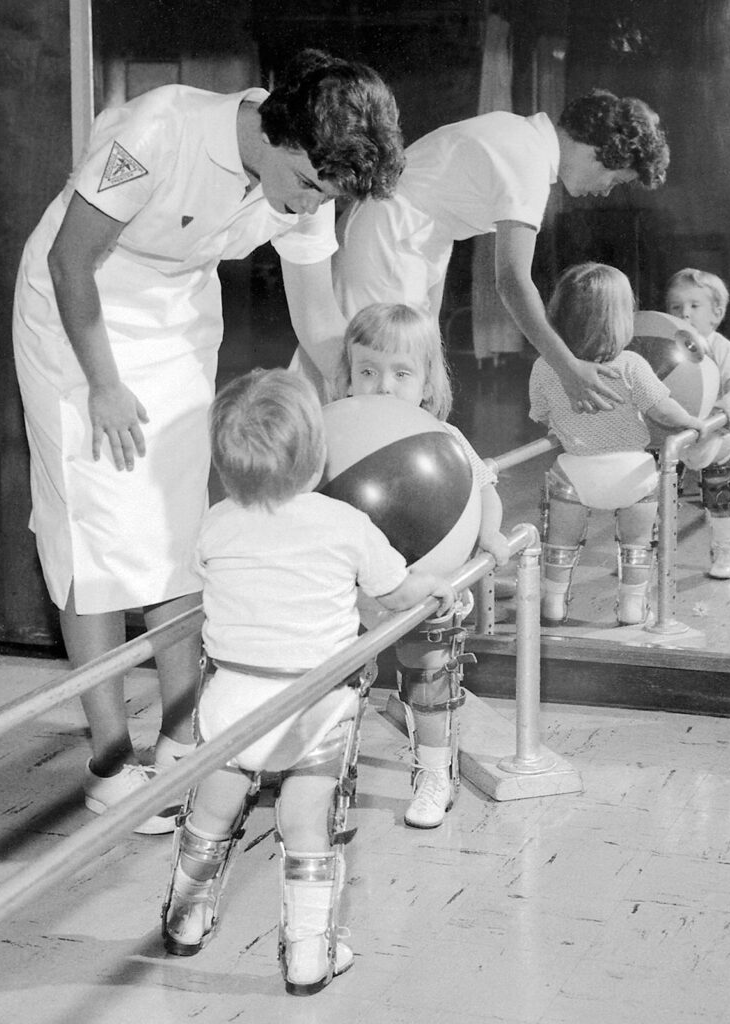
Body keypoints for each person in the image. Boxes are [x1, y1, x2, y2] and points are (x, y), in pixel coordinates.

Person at [12, 50, 405, 832]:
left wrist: (372, 413)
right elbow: (69, 258)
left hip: (177, 314)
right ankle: (111, 757)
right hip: (79, 318)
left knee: (180, 530)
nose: (305, 209)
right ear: (281, 137)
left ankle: (183, 735)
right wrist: (104, 384)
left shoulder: (308, 179)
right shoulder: (158, 129)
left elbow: (320, 322)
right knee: (96, 537)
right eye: (306, 189)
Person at [161, 368, 455, 993]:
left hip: (231, 701)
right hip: (315, 704)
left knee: (211, 815)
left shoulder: (214, 522)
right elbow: (397, 591)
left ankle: (185, 920)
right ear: (317, 455)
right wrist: (432, 589)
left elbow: (205, 575)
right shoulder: (344, 525)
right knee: (304, 826)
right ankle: (308, 953)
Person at [333, 89, 669, 414]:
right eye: (614, 181)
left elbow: (440, 214)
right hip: (390, 238)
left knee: (403, 373)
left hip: (409, 239)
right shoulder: (529, 160)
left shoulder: (521, 135)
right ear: (600, 152)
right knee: (374, 376)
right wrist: (567, 367)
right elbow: (511, 280)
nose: (605, 193)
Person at [337, 302, 510, 828]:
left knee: (429, 678)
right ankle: (327, 772)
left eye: (401, 373)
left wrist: (490, 532)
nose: (383, 385)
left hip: (424, 587)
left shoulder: (444, 440)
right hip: (350, 592)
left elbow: (483, 491)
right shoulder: (334, 428)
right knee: (338, 684)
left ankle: (435, 772)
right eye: (367, 371)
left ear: (427, 384)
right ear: (347, 376)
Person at [529, 263, 711, 626]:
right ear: (622, 319)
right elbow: (662, 410)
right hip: (632, 476)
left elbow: (541, 415)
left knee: (560, 544)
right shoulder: (631, 365)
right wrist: (692, 422)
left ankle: (552, 601)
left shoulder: (546, 366)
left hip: (575, 474)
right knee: (636, 546)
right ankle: (631, 606)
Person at [665, 268, 730, 578]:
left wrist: (722, 410)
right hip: (675, 432)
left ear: (716, 313)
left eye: (694, 306)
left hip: (715, 435)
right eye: (676, 307)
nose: (685, 314)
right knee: (657, 489)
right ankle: (651, 543)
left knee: (720, 491)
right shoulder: (666, 346)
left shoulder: (723, 349)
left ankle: (724, 549)